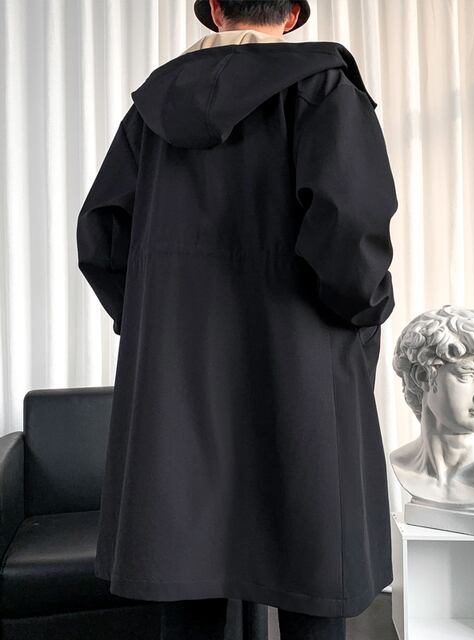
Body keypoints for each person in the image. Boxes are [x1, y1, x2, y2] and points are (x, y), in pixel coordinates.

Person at [76, 1, 398, 638]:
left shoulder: (151, 111)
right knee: (311, 575)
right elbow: (351, 229)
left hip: (175, 382)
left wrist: (153, 324)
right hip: (302, 370)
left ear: (216, 9)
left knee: (185, 567)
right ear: (294, 15)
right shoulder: (323, 90)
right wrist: (364, 311)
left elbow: (102, 239)